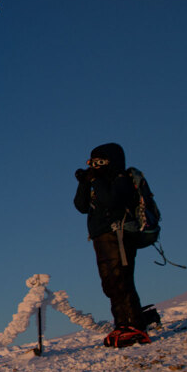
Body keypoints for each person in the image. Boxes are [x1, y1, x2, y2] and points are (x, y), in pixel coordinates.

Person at [74, 143, 151, 347]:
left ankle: (134, 325)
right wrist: (84, 183)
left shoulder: (120, 179)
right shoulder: (97, 181)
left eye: (100, 162)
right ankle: (123, 324)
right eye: (92, 162)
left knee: (120, 279)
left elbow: (111, 201)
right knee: (110, 282)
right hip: (101, 236)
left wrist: (95, 179)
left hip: (119, 234)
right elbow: (81, 206)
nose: (95, 166)